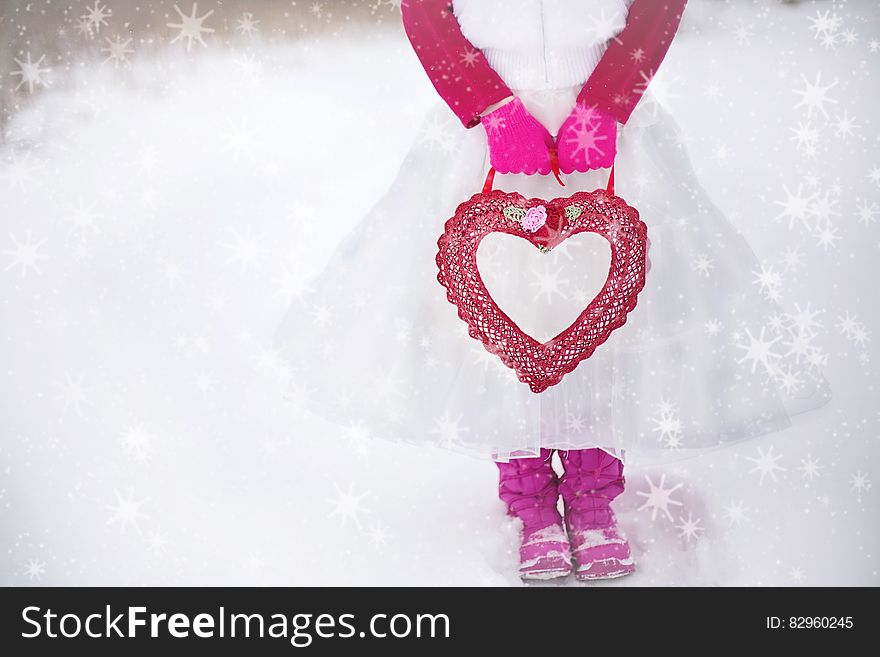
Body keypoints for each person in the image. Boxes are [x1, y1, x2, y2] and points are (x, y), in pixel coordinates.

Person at [274, 0, 830, 581]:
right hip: (487, 137)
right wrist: (488, 106)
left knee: (609, 317)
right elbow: (425, 13)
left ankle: (593, 500)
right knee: (502, 316)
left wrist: (608, 103)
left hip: (607, 132)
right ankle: (530, 500)